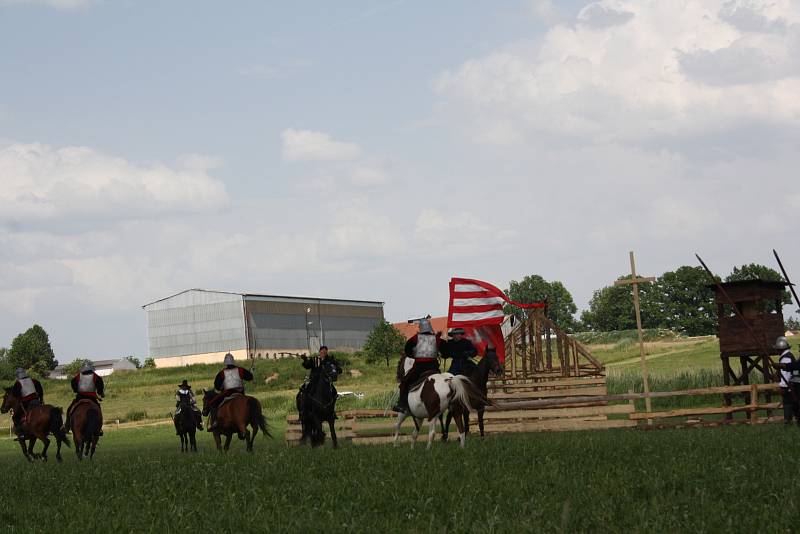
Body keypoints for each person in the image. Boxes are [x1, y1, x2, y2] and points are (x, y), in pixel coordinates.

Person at [392, 317, 446, 413]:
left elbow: (407, 349)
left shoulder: (415, 338)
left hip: (419, 367)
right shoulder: (437, 339)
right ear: (430, 327)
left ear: (420, 328)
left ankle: (402, 404)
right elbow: (446, 350)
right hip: (434, 367)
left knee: (405, 382)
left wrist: (413, 355)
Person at [208, 353, 253, 431]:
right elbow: (249, 377)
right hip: (240, 393)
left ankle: (215, 422)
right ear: (233, 361)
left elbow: (217, 386)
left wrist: (221, 388)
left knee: (213, 403)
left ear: (225, 362)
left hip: (227, 393)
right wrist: (251, 372)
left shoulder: (222, 373)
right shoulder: (240, 370)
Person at [67, 361, 105, 435]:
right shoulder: (95, 376)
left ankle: (67, 426)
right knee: (98, 409)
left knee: (70, 409)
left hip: (80, 397)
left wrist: (75, 390)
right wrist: (101, 393)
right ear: (91, 368)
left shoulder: (78, 376)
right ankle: (99, 428)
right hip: (92, 398)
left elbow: (73, 382)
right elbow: (100, 387)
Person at [772, 336, 800, 425]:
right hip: (793, 385)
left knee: (788, 404)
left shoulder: (786, 358)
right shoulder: (786, 356)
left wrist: (783, 386)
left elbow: (786, 374)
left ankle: (788, 422)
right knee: (794, 404)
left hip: (791, 386)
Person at [10, 368, 44, 440]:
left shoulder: (18, 383)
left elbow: (16, 395)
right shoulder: (34, 381)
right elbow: (40, 391)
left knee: (15, 417)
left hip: (26, 403)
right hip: (36, 401)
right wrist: (40, 401)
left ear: (17, 375)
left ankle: (20, 434)